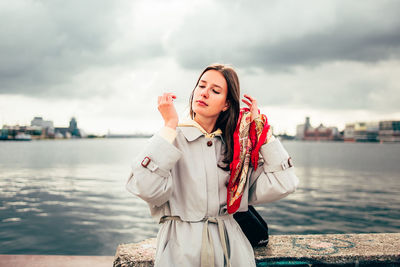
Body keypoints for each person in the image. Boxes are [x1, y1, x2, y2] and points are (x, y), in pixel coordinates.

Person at [126, 63, 299, 267]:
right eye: (201, 86)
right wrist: (169, 125)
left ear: (226, 104)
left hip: (233, 253)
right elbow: (146, 188)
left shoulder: (237, 147)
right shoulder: (171, 139)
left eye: (215, 90)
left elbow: (285, 183)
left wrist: (261, 130)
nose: (204, 93)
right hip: (180, 252)